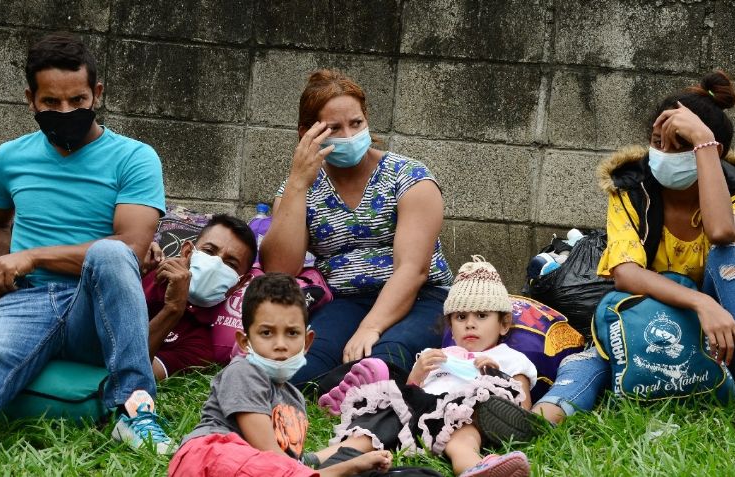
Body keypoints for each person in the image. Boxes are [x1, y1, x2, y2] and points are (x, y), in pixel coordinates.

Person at [0, 32, 169, 474]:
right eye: (51, 103)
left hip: (94, 310)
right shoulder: (9, 158)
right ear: (30, 99)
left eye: (78, 100)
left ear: (97, 93)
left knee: (110, 256)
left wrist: (33, 256)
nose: (65, 113)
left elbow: (132, 248)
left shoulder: (134, 158)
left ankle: (135, 411)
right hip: (23, 299)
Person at [527, 71, 735, 434]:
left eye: (680, 145)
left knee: (730, 254)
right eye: (657, 142)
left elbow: (721, 230)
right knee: (592, 357)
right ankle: (541, 417)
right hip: (645, 317)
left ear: (712, 153)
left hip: (714, 334)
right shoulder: (629, 191)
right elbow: (626, 274)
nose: (664, 154)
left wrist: (704, 144)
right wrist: (700, 304)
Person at [261, 69, 453, 387]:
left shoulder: (409, 177)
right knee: (301, 372)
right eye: (334, 128)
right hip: (345, 300)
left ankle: (360, 385)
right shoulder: (299, 188)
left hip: (422, 296)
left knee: (388, 358)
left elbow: (413, 269)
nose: (349, 136)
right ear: (307, 133)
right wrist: (297, 183)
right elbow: (281, 269)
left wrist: (370, 327)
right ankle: (341, 385)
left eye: (356, 123)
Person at [315, 257, 533, 477]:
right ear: (450, 325)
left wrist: (497, 375)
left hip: (461, 415)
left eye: (482, 315)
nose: (470, 323)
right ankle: (318, 459)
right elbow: (412, 393)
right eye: (460, 316)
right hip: (418, 411)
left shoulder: (509, 358)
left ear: (504, 324)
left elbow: (521, 411)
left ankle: (476, 467)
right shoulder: (438, 355)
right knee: (374, 425)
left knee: (462, 438)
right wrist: (417, 374)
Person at [168, 272, 393, 477]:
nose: (280, 345)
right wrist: (348, 465)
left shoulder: (294, 400)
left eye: (292, 333)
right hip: (210, 458)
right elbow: (269, 453)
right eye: (266, 333)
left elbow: (290, 464)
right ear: (245, 342)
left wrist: (356, 451)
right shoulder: (243, 371)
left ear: (307, 342)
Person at [144, 214, 257, 380]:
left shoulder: (200, 347)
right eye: (209, 251)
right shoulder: (144, 270)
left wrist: (173, 309)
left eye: (231, 264)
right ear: (187, 251)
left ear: (241, 283)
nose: (215, 264)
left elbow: (136, 370)